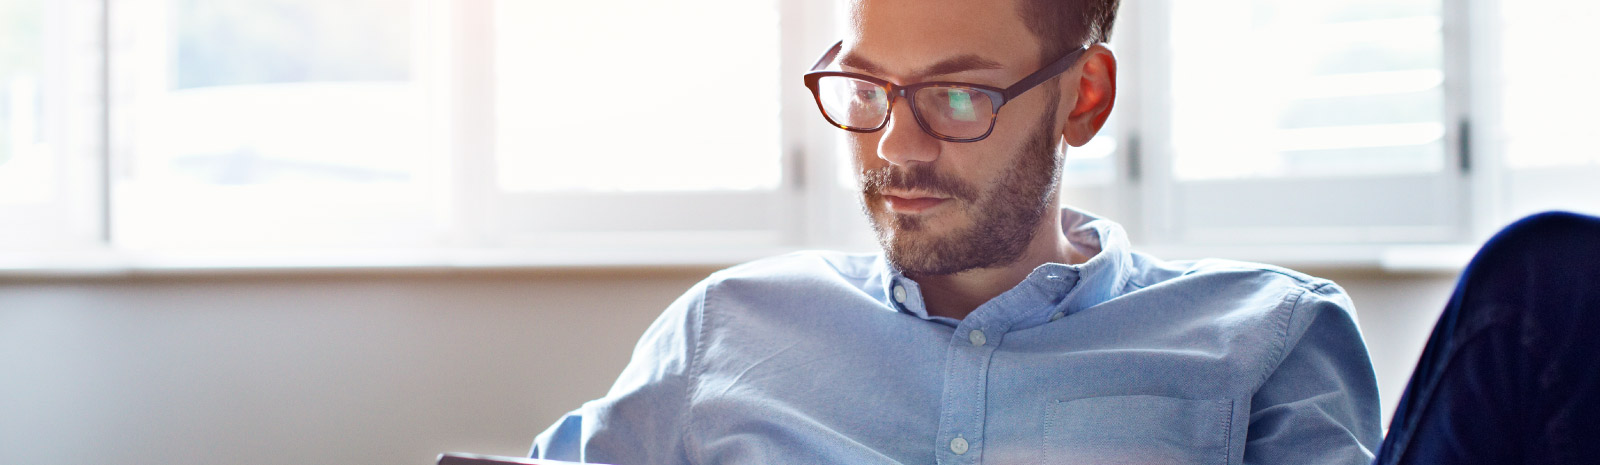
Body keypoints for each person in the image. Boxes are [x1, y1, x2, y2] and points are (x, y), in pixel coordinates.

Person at [529, 0, 1385, 463]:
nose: (896, 148)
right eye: (867, 89)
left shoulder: (1267, 337)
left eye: (960, 96)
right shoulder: (725, 327)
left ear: (1083, 96)